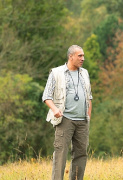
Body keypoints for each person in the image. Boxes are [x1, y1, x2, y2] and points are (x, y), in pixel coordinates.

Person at [42, 45, 93, 180]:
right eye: (80, 56)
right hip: (65, 120)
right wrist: (54, 109)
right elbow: (46, 96)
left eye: (83, 56)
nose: (83, 58)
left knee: (81, 154)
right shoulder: (56, 73)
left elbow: (89, 97)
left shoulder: (85, 73)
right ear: (71, 56)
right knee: (60, 154)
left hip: (82, 121)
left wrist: (88, 116)